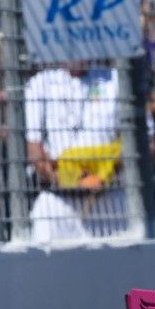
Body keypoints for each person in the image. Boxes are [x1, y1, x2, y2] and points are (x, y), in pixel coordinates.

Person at [23, 62, 127, 242]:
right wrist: (71, 180)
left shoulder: (116, 80)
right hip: (58, 204)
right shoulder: (40, 84)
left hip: (109, 200)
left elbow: (138, 141)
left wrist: (103, 175)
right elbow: (34, 149)